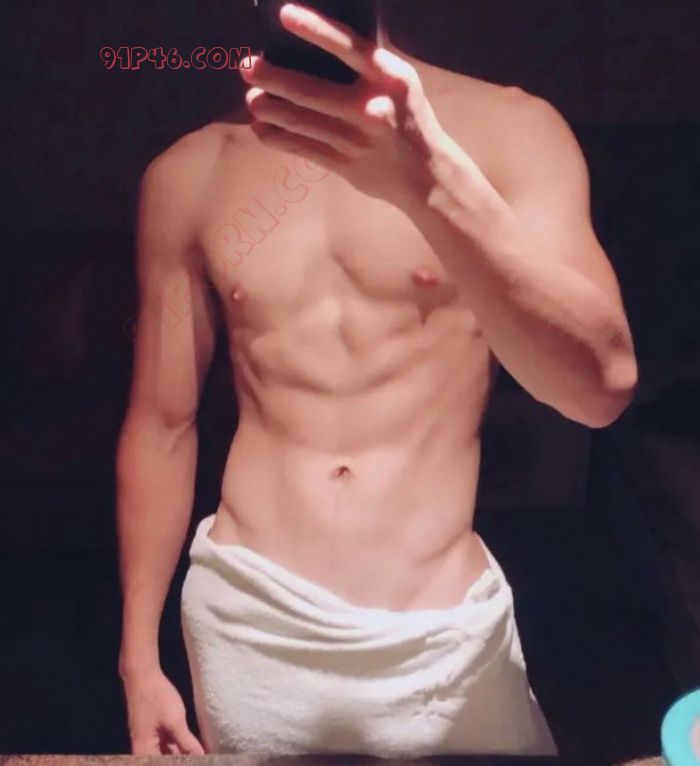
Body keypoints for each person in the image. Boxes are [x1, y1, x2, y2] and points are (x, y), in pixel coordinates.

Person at [116, 0, 638, 757]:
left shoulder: (509, 131)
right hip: (248, 617)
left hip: (442, 632)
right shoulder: (190, 173)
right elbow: (161, 425)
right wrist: (138, 660)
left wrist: (432, 187)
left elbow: (601, 388)